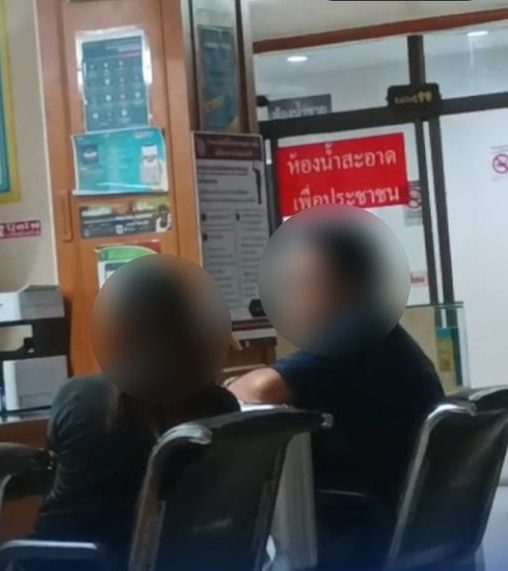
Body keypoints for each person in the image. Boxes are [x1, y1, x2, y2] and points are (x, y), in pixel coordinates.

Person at [33, 256, 239, 569]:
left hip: (66, 560)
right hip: (170, 561)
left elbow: (49, 465)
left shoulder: (79, 397)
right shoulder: (220, 406)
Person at [228, 223, 444, 507]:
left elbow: (258, 391)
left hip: (362, 518)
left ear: (352, 285)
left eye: (305, 284)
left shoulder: (354, 338)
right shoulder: (379, 332)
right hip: (397, 511)